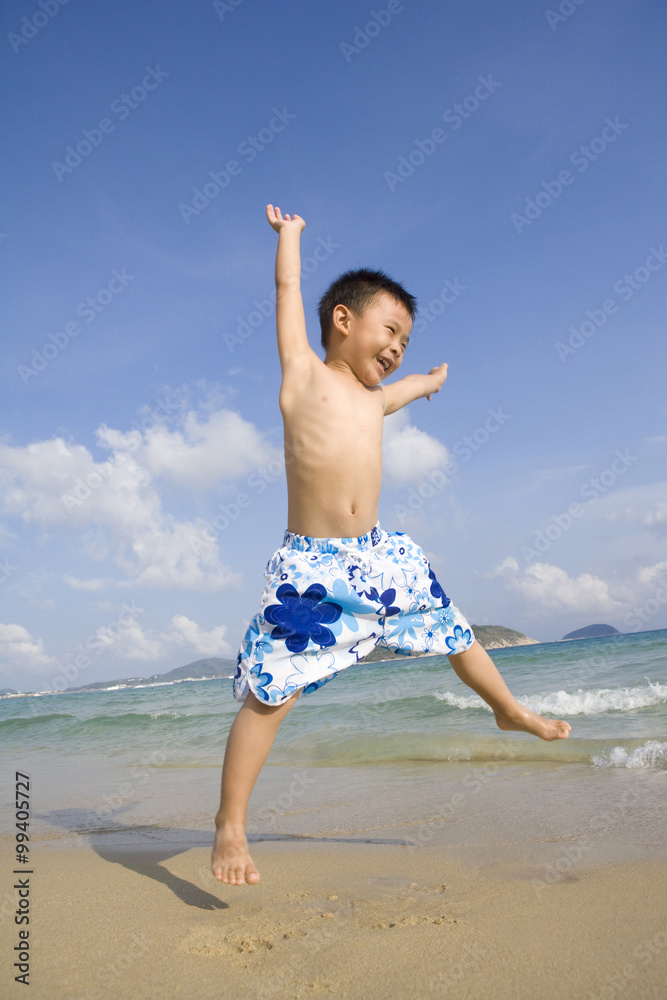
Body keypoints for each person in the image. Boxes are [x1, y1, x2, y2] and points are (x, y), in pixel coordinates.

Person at [211, 204, 571, 886]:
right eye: (391, 331)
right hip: (312, 566)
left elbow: (401, 388)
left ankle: (508, 711)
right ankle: (230, 826)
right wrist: (289, 239)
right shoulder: (303, 376)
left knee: (456, 632)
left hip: (380, 557)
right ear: (342, 321)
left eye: (407, 340)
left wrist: (428, 382)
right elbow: (289, 295)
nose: (398, 348)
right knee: (269, 693)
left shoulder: (376, 398)